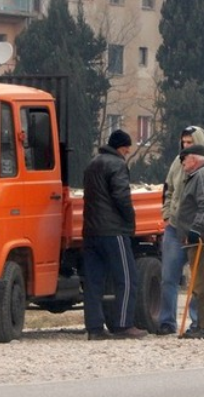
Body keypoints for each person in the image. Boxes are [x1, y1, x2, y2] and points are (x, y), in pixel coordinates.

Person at [157, 126, 204, 335]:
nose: (185, 146)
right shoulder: (179, 163)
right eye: (184, 142)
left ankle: (201, 323)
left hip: (198, 232)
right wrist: (167, 215)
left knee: (200, 280)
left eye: (190, 143)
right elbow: (168, 190)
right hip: (175, 228)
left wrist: (202, 225)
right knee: (169, 277)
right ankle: (167, 321)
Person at [81, 129, 147, 340]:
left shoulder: (92, 164)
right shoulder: (117, 165)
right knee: (127, 278)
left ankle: (94, 328)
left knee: (93, 282)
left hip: (90, 231)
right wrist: (130, 220)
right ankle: (123, 324)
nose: (127, 152)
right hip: (113, 230)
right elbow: (121, 196)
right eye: (127, 148)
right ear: (121, 147)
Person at [176, 144, 204, 340]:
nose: (182, 163)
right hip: (198, 238)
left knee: (203, 283)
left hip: (203, 238)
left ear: (193, 159)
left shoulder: (201, 176)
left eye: (184, 159)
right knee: (198, 283)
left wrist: (196, 228)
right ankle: (202, 325)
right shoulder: (197, 176)